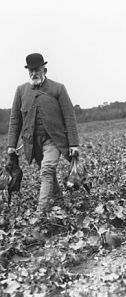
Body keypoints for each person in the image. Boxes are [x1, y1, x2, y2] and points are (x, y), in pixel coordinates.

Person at [7, 53, 79, 216]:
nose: (34, 73)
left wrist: (74, 143)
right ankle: (60, 203)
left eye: (37, 69)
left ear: (44, 69)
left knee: (46, 170)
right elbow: (15, 119)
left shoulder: (58, 88)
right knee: (50, 175)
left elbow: (69, 116)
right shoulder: (21, 91)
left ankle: (40, 214)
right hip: (32, 143)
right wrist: (11, 145)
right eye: (31, 70)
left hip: (54, 140)